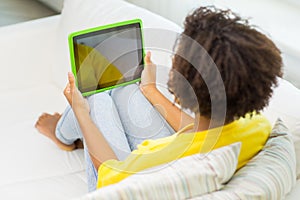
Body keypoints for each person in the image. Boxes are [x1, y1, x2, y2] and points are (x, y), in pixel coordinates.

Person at [35, 6, 283, 191]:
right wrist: (151, 91)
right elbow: (201, 130)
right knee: (126, 90)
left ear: (184, 86)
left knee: (95, 101)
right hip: (177, 151)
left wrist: (81, 113)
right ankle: (72, 131)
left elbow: (108, 177)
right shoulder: (257, 125)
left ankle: (62, 134)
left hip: (120, 179)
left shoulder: (158, 160)